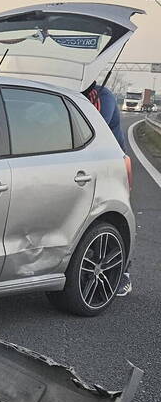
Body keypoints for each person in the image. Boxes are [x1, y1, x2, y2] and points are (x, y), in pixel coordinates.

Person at [83, 81, 132, 297]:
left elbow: (91, 129)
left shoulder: (103, 96)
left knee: (111, 219)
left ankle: (122, 274)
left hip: (111, 164)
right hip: (88, 162)